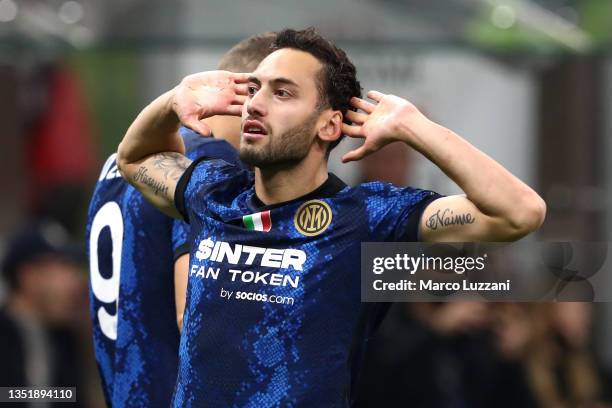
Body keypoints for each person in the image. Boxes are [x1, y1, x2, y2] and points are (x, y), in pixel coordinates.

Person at [116, 28, 546, 406]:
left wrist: (414, 127)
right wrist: (173, 100)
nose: (256, 105)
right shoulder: (213, 194)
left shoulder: (366, 217)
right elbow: (134, 158)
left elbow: (519, 213)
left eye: (282, 93)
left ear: (329, 125)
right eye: (254, 90)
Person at [86, 32, 276, 407]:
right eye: (281, 94)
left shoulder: (120, 163)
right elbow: (192, 313)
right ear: (247, 93)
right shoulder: (210, 164)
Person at [0, 221, 88, 407]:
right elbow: (8, 394)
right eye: (64, 267)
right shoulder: (5, 333)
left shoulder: (63, 337)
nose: (76, 281)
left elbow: (74, 398)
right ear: (29, 276)